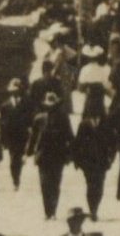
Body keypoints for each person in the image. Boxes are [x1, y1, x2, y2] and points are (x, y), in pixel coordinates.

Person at [26, 92, 74, 220]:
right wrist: (28, 152)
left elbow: (69, 136)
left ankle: (52, 211)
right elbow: (33, 137)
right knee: (44, 184)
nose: (51, 108)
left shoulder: (63, 118)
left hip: (58, 156)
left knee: (55, 184)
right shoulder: (39, 119)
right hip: (43, 156)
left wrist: (70, 154)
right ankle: (47, 211)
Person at [72, 88, 116, 221]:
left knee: (100, 185)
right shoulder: (84, 124)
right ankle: (92, 209)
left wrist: (111, 158)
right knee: (91, 185)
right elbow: (77, 143)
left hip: (102, 161)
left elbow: (113, 143)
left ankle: (95, 207)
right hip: (88, 162)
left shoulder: (106, 124)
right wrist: (77, 161)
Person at [0, 78, 33, 190]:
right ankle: (15, 179)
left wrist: (30, 131)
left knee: (18, 157)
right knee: (13, 159)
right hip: (11, 136)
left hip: (22, 135)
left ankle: (17, 177)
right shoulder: (5, 106)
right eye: (13, 90)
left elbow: (30, 119)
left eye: (17, 90)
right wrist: (2, 139)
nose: (15, 92)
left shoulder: (27, 103)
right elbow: (2, 124)